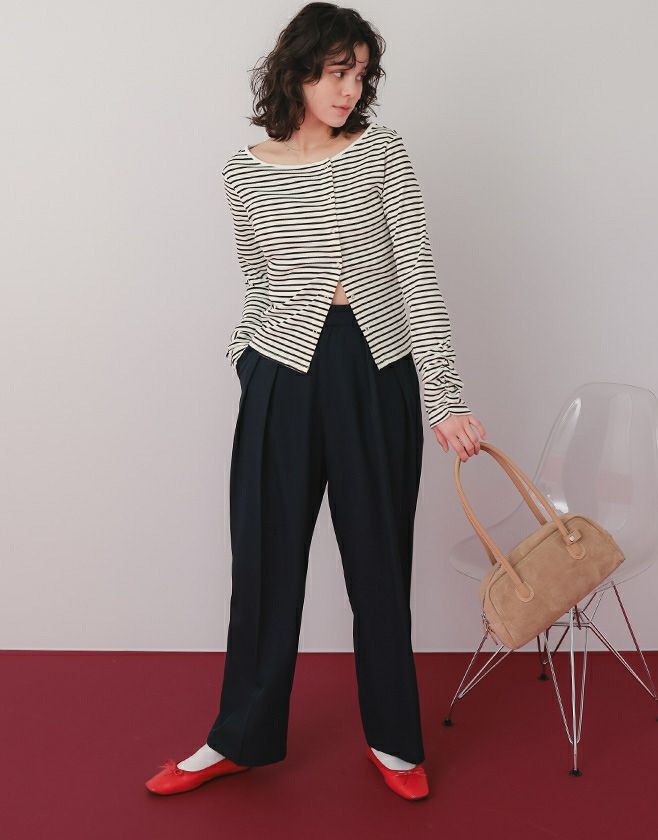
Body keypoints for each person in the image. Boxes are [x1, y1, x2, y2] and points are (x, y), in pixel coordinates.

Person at [145, 2, 486, 802]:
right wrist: (248, 360)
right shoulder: (243, 171)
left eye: (361, 74)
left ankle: (394, 740)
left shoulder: (382, 152)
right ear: (296, 72)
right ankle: (236, 737)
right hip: (281, 373)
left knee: (378, 564)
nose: (350, 89)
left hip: (375, 365)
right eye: (337, 72)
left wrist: (444, 397)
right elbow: (259, 281)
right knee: (263, 562)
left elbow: (417, 275)